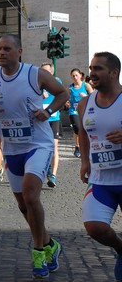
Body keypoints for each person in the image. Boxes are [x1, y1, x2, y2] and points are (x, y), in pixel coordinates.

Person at [0, 34, 67, 278]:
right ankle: (48, 242)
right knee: (23, 204)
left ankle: (38, 252)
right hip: (11, 147)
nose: (1, 52)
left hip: (38, 143)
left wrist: (47, 111)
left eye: (7, 49)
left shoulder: (34, 74)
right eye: (0, 49)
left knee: (30, 194)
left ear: (19, 51)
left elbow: (62, 94)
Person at [77, 52, 122, 282]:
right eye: (91, 68)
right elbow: (83, 134)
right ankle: (120, 248)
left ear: (114, 73)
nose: (92, 73)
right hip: (101, 178)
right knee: (94, 227)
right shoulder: (85, 103)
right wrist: (85, 161)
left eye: (98, 69)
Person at [40, 62, 62, 188]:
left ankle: (53, 175)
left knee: (54, 147)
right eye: (42, 71)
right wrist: (40, 97)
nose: (44, 73)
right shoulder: (36, 83)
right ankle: (47, 166)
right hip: (41, 120)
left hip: (53, 118)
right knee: (43, 147)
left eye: (47, 71)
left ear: (52, 72)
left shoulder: (56, 81)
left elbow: (63, 96)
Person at [68, 68, 93, 158]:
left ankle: (81, 146)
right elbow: (66, 98)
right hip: (74, 111)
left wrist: (85, 96)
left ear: (80, 76)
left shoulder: (86, 85)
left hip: (86, 110)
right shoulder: (70, 87)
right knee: (78, 129)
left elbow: (94, 97)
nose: (75, 77)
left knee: (85, 129)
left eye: (76, 75)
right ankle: (79, 146)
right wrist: (66, 102)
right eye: (73, 76)